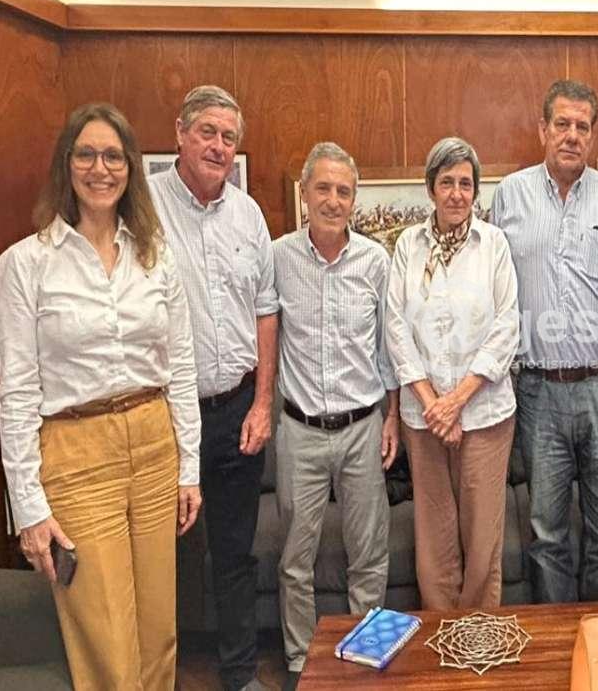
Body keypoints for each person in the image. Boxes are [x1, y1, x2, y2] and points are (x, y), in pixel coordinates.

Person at [0, 102, 202, 690]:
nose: (100, 168)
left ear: (131, 168)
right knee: (106, 641)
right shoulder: (25, 265)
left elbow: (180, 368)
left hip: (154, 446)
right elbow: (16, 394)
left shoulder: (154, 255)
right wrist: (29, 508)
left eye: (114, 156)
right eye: (86, 154)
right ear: (66, 164)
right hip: (76, 456)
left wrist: (189, 469)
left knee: (159, 632)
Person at [490, 79, 598, 603]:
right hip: (537, 391)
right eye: (562, 124)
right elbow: (492, 287)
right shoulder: (510, 196)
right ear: (543, 129)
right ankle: (559, 638)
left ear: (592, 136)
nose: (572, 135)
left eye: (582, 126)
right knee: (547, 531)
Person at [149, 84, 278, 691]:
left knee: (234, 554)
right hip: (164, 417)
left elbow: (266, 311)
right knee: (160, 558)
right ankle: (157, 678)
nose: (219, 146)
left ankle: (239, 675)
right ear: (180, 133)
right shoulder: (144, 208)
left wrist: (263, 402)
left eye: (229, 137)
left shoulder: (248, 215)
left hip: (236, 412)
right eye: (207, 132)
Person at [272, 141, 399, 689]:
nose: (332, 199)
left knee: (368, 553)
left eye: (343, 191)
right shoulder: (277, 258)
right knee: (294, 559)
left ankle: (365, 657)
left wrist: (393, 417)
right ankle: (302, 663)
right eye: (322, 188)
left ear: (354, 199)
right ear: (305, 193)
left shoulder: (375, 262)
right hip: (299, 430)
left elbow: (390, 348)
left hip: (362, 427)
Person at [385, 136, 520, 609]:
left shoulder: (493, 245)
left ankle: (478, 639)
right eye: (447, 182)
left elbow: (507, 326)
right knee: (434, 542)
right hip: (424, 421)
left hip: (484, 415)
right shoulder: (408, 245)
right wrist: (433, 406)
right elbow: (396, 328)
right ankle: (440, 638)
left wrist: (457, 401)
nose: (457, 193)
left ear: (475, 191)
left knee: (482, 541)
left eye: (465, 183)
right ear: (431, 189)